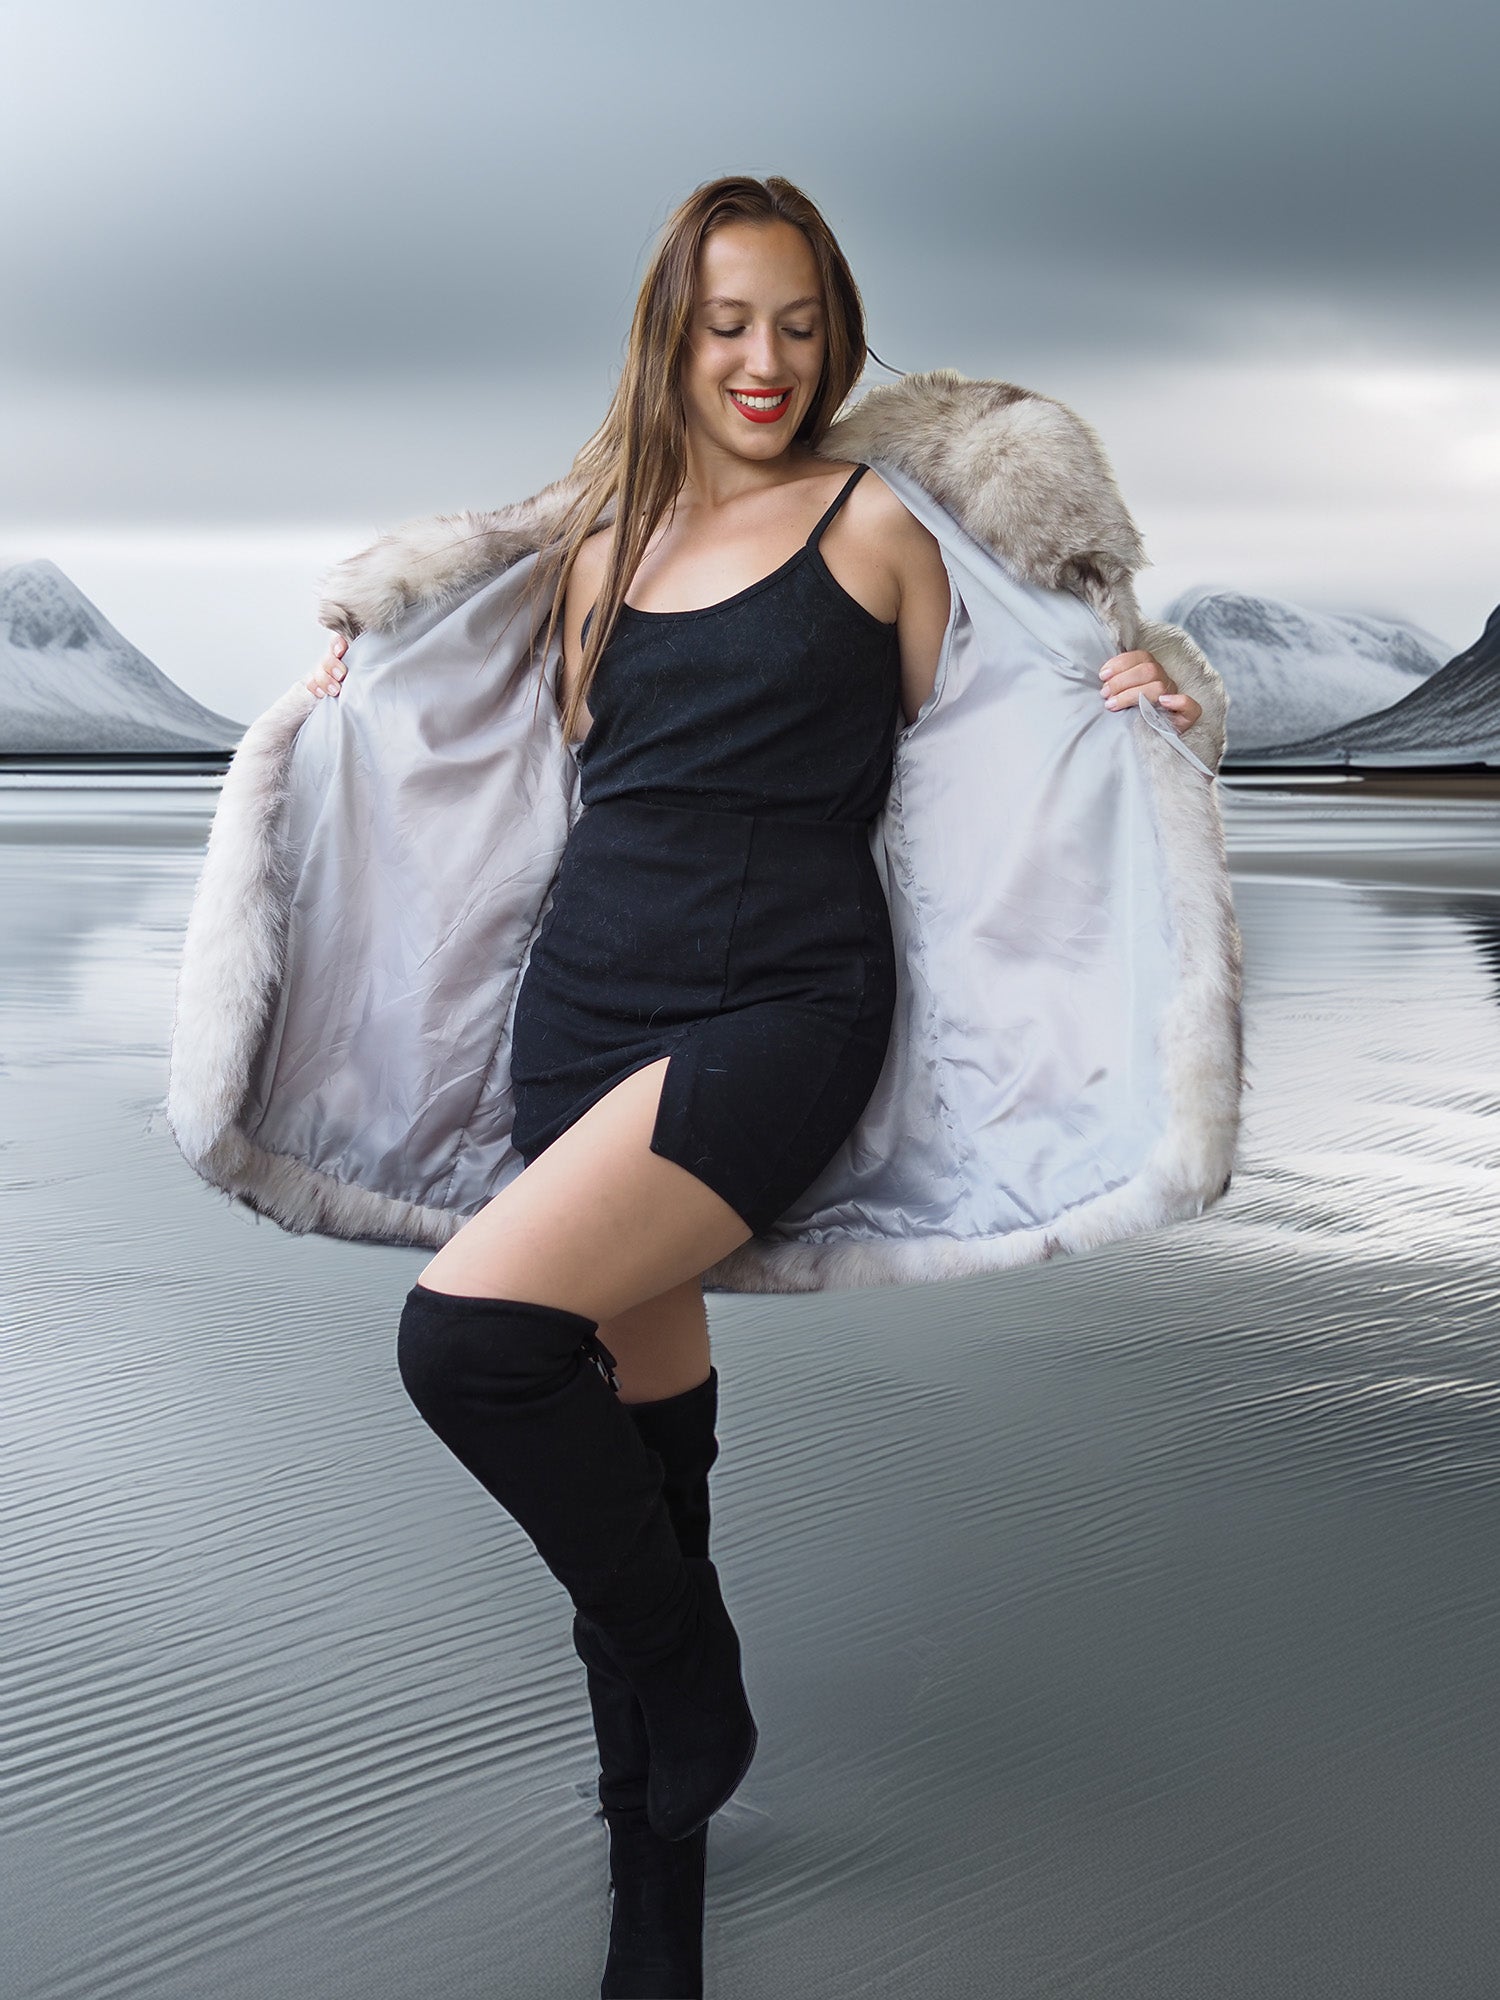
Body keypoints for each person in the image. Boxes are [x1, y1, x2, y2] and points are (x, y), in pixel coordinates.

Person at [298, 175, 1206, 2000]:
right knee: (639, 1424)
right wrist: (358, 674)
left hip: (781, 1012)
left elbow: (1011, 735)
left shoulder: (877, 527)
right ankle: (658, 1864)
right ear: (673, 333)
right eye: (729, 322)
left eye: (797, 321)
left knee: (466, 1344)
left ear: (836, 329)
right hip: (582, 1020)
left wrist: (1156, 687)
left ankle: (693, 1685)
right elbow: (503, 755)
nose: (766, 359)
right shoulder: (598, 544)